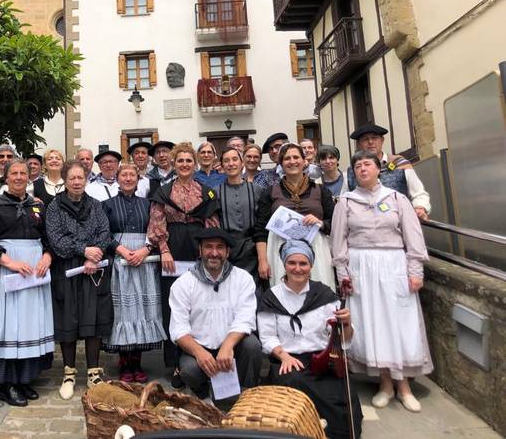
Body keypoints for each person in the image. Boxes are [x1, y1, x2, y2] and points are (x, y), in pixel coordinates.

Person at [332, 150, 433, 412]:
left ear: (379, 169)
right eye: (357, 166)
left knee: (399, 323)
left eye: (367, 164)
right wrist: (343, 275)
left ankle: (405, 386)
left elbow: (413, 238)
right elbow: (338, 242)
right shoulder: (346, 202)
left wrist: (415, 271)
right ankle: (385, 384)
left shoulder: (397, 198)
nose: (362, 169)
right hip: (361, 267)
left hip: (393, 265)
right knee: (373, 324)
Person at [258, 240, 363, 439]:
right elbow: (267, 336)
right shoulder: (271, 297)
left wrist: (347, 324)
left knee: (343, 398)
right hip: (288, 359)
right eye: (292, 263)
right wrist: (283, 356)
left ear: (311, 266)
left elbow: (341, 339)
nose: (297, 268)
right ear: (284, 264)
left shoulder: (323, 294)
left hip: (324, 359)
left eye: (303, 263)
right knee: (296, 387)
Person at [0, 159, 55, 407]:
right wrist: (10, 263)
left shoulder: (38, 206)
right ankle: (7, 383)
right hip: (9, 270)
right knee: (9, 325)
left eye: (23, 173)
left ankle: (24, 379)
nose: (19, 177)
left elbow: (47, 238)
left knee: (31, 324)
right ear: (6, 176)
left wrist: (46, 256)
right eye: (14, 173)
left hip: (35, 270)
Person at [147, 142, 220, 387]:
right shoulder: (164, 192)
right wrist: (164, 251)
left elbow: (212, 224)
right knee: (173, 308)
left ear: (195, 163)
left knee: (200, 306)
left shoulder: (206, 192)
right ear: (174, 164)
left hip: (199, 249)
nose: (185, 164)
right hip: (173, 251)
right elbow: (156, 223)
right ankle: (177, 365)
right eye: (181, 161)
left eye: (189, 161)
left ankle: (204, 360)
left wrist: (209, 254)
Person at [169, 228, 260, 404]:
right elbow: (178, 329)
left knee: (252, 347)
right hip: (200, 346)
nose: (214, 253)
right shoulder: (183, 283)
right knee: (189, 369)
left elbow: (245, 318)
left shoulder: (243, 279)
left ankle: (246, 394)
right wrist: (199, 352)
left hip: (232, 346)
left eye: (220, 247)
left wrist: (227, 345)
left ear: (227, 252)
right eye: (208, 247)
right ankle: (203, 394)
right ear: (200, 250)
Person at [46, 161, 113, 400]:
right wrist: (83, 250)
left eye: (80, 178)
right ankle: (69, 373)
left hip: (93, 268)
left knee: (92, 318)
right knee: (69, 317)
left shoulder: (95, 206)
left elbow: (105, 232)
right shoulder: (55, 207)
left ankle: (94, 373)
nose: (76, 182)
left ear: (86, 179)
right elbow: (55, 238)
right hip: (67, 267)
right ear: (65, 179)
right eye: (72, 178)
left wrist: (95, 255)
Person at [102, 164, 166, 382]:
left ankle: (137, 362)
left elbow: (157, 229)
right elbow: (102, 231)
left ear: (138, 180)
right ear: (117, 179)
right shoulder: (107, 205)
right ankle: (124, 362)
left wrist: (145, 249)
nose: (128, 178)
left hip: (143, 258)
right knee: (123, 310)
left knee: (141, 309)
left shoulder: (148, 204)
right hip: (119, 258)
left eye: (132, 175)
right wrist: (120, 250)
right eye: (124, 175)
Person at [254, 143, 336, 289]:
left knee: (318, 290)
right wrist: (262, 261)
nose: (292, 161)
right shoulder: (270, 192)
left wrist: (320, 223)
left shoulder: (320, 190)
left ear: (305, 161)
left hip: (315, 247)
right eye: (287, 158)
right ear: (281, 163)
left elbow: (334, 223)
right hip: (280, 246)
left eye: (296, 157)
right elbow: (260, 230)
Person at [347, 124, 431, 220]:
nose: (370, 142)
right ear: (358, 144)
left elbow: (419, 193)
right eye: (365, 139)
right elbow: (345, 201)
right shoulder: (352, 172)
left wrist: (420, 208)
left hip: (399, 224)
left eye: (374, 138)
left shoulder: (400, 164)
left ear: (382, 140)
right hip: (365, 226)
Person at [216, 147, 264, 281]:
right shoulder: (216, 192)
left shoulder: (256, 189)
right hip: (228, 250)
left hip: (252, 250)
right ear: (222, 165)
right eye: (226, 161)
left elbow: (262, 223)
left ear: (242, 163)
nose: (231, 164)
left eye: (234, 159)